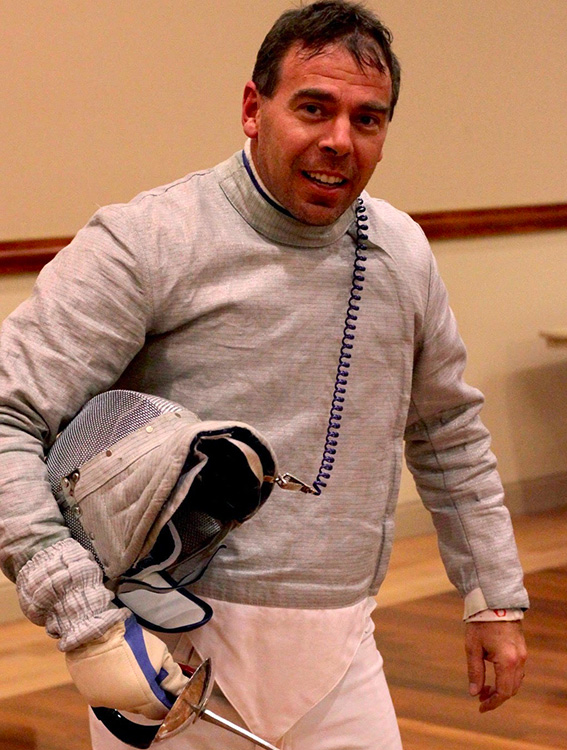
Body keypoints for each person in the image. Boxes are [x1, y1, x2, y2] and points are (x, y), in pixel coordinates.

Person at [0, 1, 528, 748]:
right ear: (253, 108)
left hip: (342, 651)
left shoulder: (401, 253)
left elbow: (446, 429)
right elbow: (7, 414)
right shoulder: (148, 240)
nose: (339, 140)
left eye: (367, 119)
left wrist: (492, 597)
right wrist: (82, 619)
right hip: (171, 660)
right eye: (314, 108)